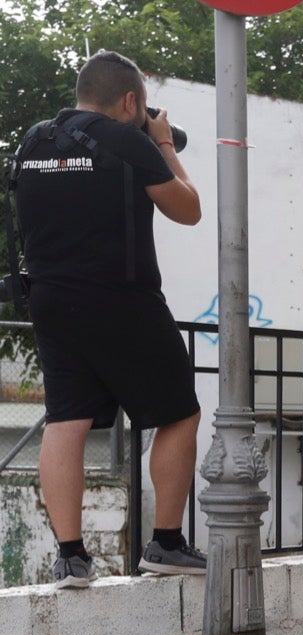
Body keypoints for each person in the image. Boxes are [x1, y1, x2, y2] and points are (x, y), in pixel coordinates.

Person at [14, 50, 207, 589]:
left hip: (49, 299)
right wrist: (162, 140)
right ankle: (166, 543)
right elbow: (187, 208)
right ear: (130, 101)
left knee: (66, 418)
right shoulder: (127, 139)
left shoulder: (34, 141)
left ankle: (71, 557)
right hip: (121, 298)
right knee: (179, 412)